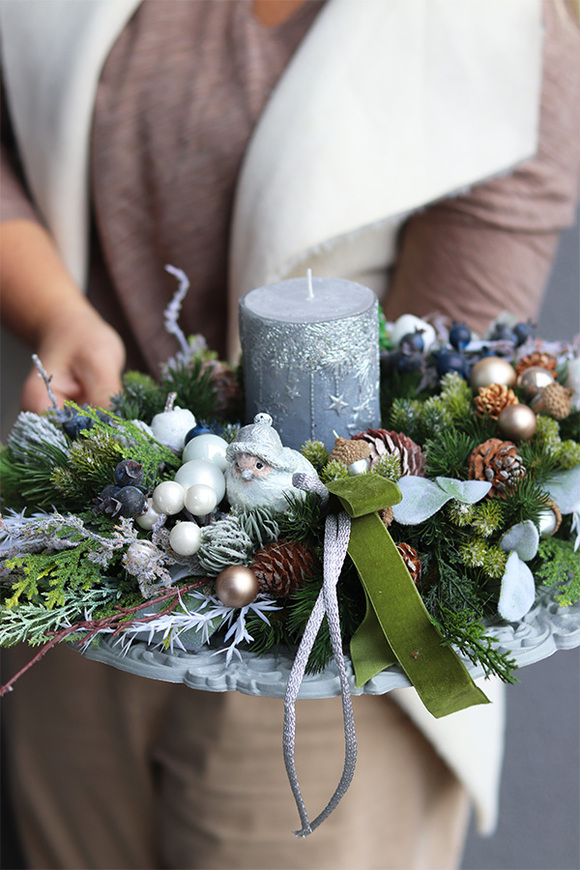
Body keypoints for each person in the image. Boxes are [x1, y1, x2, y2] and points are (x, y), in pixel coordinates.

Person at [1, 1, 579, 868]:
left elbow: (445, 390)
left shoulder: (503, 37)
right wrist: (57, 310)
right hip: (92, 585)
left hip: (330, 656)